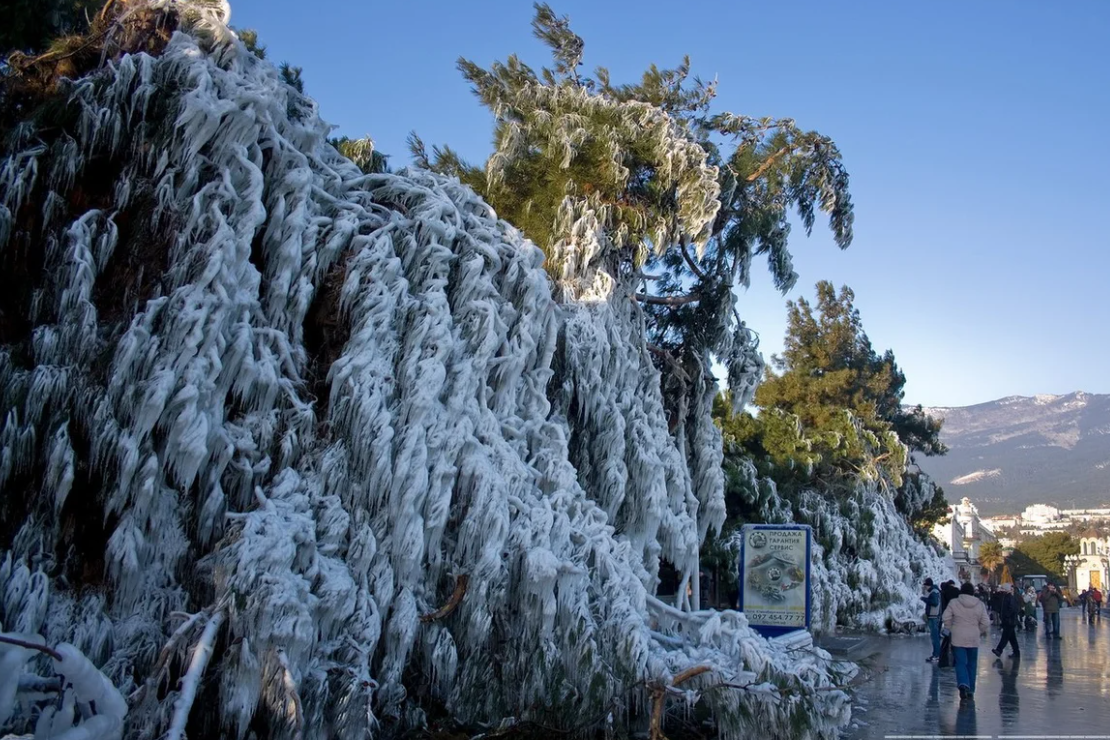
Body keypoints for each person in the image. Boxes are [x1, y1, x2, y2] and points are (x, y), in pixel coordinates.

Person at [943, 581, 990, 701]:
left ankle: (963, 683)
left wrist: (950, 627)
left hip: (957, 636)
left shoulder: (954, 602)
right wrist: (978, 630)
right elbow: (986, 622)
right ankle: (971, 690)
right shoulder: (979, 604)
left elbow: (946, 617)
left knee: (960, 662)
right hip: (973, 637)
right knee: (972, 664)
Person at [991, 583, 1021, 658]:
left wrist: (1006, 616)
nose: (1001, 590)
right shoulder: (1005, 597)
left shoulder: (1010, 597)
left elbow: (1012, 609)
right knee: (1012, 638)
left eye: (1003, 589)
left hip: (1010, 621)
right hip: (1008, 621)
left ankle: (999, 650)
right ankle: (1016, 652)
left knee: (1005, 637)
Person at [921, 578, 942, 662]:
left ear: (928, 585)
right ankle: (936, 654)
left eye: (925, 585)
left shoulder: (934, 592)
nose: (925, 587)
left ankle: (936, 655)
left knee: (935, 637)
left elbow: (934, 602)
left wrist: (925, 599)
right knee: (935, 637)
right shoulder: (935, 591)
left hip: (933, 617)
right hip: (934, 617)